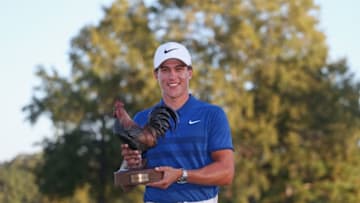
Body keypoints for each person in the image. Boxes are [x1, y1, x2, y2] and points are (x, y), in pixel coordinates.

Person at [120, 41, 234, 203]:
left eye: (179, 69)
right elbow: (127, 184)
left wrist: (181, 175)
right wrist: (132, 168)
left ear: (190, 72)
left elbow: (226, 173)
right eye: (165, 70)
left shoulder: (212, 115)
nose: (172, 76)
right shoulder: (141, 119)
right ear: (156, 75)